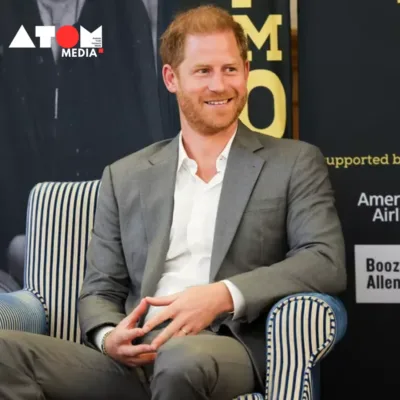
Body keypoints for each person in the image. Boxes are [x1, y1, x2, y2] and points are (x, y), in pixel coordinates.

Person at [0, 5, 346, 400]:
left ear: (247, 72)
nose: (220, 85)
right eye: (203, 71)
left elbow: (325, 260)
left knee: (181, 359)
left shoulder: (294, 162)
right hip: (133, 357)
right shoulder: (125, 175)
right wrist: (109, 336)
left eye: (230, 69)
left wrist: (221, 295)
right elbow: (100, 288)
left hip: (221, 347)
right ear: (171, 78)